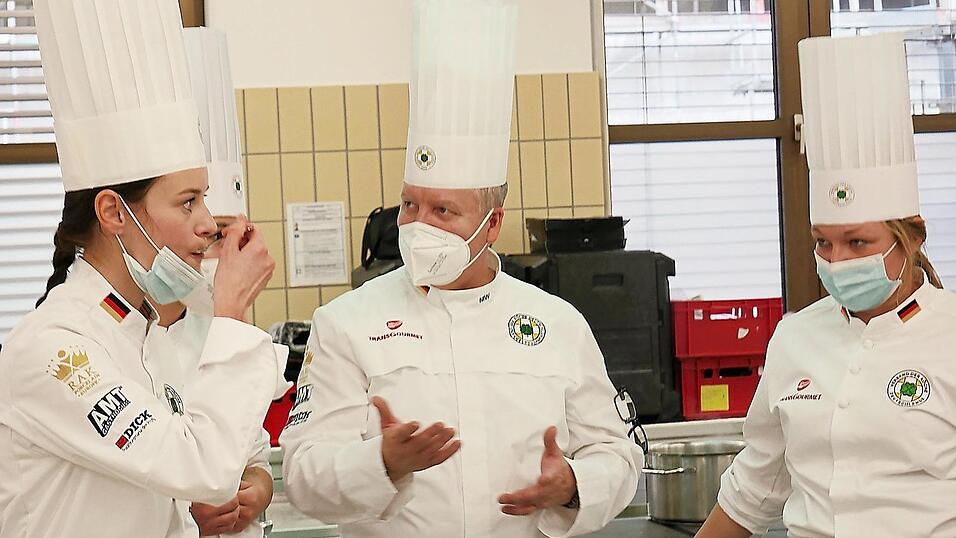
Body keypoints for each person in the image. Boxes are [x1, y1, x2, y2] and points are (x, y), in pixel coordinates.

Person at [279, 1, 643, 537]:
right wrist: (381, 462)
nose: (418, 225)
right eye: (410, 205)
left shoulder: (558, 324)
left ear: (491, 224)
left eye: (443, 211)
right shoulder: (346, 323)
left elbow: (617, 452)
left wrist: (573, 485)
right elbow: (302, 475)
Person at [0, 1, 280, 536]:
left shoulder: (147, 335)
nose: (207, 225)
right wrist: (230, 310)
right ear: (113, 213)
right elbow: (201, 467)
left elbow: (201, 481)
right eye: (188, 202)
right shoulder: (54, 348)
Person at [697, 33, 955, 538]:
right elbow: (753, 490)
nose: (837, 262)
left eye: (858, 242)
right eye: (823, 243)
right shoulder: (796, 338)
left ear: (912, 238)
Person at [145, 27, 290, 537]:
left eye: (225, 234)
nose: (213, 248)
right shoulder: (121, 340)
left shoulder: (218, 330)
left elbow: (253, 454)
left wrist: (255, 490)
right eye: (202, 229)